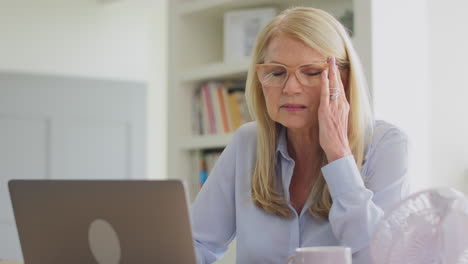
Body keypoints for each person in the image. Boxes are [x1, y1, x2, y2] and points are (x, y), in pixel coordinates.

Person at [190, 7, 409, 264]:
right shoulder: (248, 143)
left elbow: (379, 256)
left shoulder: (386, 144)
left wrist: (339, 155)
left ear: (345, 78)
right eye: (277, 72)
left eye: (312, 72)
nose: (291, 88)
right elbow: (198, 242)